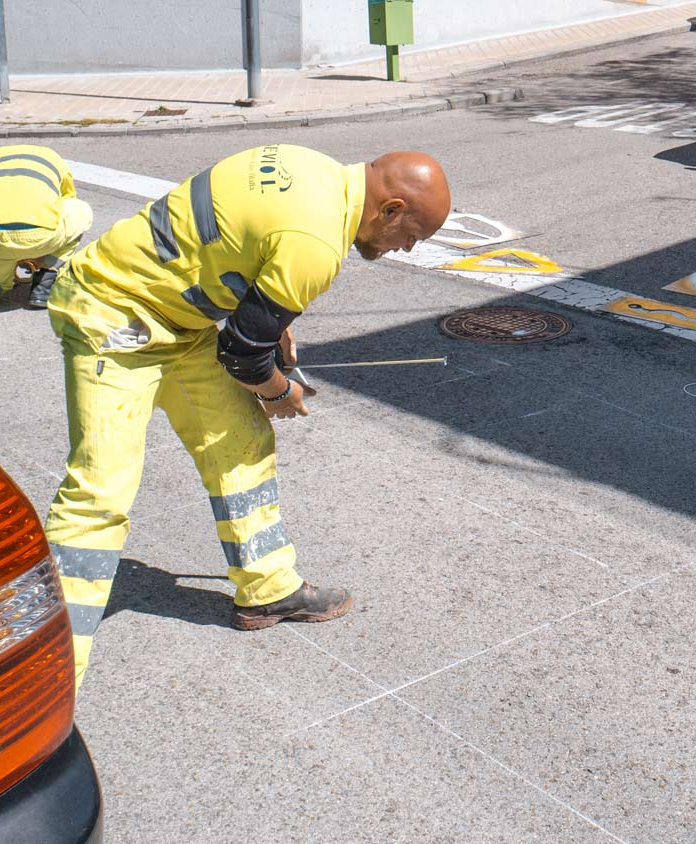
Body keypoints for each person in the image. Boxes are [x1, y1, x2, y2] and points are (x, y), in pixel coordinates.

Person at [44, 144, 451, 690]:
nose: (404, 248)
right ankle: (44, 675)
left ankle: (267, 589)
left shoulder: (313, 169)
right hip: (114, 317)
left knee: (240, 438)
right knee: (100, 493)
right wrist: (280, 392)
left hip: (174, 319)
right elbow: (243, 354)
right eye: (411, 237)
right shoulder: (317, 241)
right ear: (392, 209)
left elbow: (237, 247)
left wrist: (271, 323)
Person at [0, 144, 93, 324]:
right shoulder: (52, 157)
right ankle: (46, 279)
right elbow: (67, 198)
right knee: (81, 210)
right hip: (39, 233)